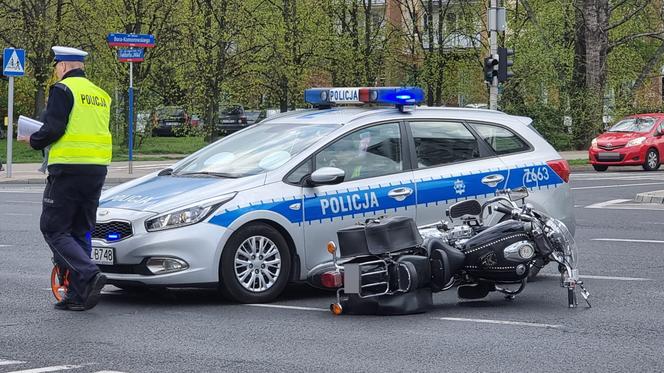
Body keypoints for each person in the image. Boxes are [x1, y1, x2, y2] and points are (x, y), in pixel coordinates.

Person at [18, 46, 111, 311]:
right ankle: (79, 295)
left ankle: (88, 273)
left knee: (54, 229)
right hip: (96, 170)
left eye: (56, 66)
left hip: (68, 169)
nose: (55, 71)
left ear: (63, 66)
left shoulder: (63, 90)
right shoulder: (100, 94)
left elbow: (55, 128)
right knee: (80, 229)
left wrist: (33, 140)